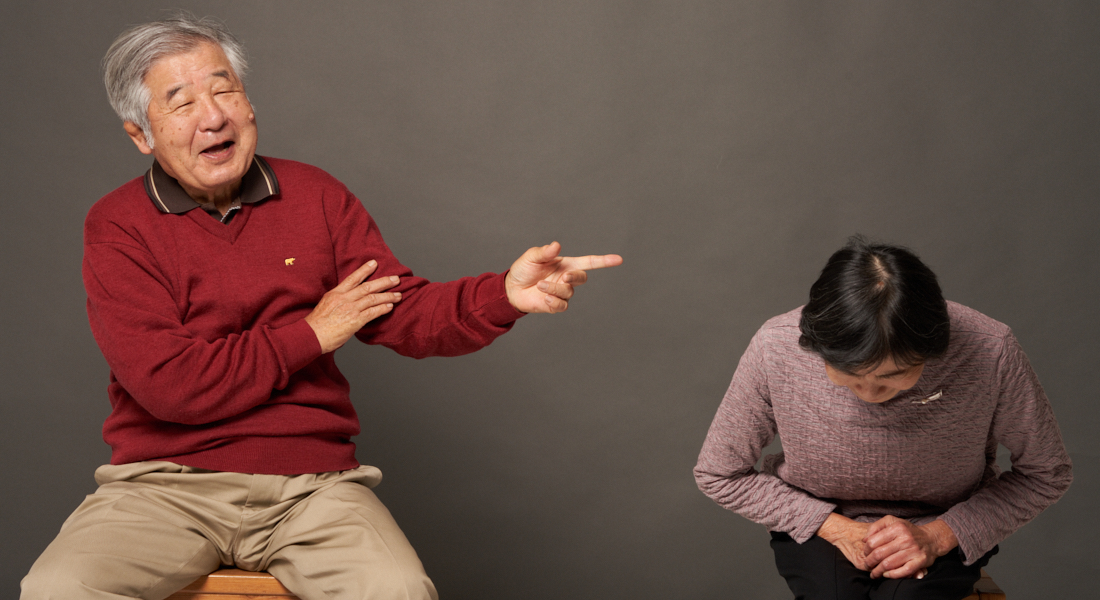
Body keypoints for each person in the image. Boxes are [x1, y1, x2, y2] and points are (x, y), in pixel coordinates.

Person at [21, 14, 621, 600]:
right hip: (163, 485)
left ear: (249, 104)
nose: (213, 117)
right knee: (56, 589)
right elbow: (169, 385)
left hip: (312, 487)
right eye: (181, 103)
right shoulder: (118, 226)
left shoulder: (317, 196)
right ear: (141, 135)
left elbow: (404, 314)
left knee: (399, 590)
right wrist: (312, 332)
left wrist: (503, 294)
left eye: (224, 89)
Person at [694, 237, 1071, 600]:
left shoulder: (991, 349)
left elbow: (1046, 473)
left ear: (934, 349)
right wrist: (836, 528)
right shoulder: (775, 347)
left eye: (892, 377)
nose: (870, 394)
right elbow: (719, 472)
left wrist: (939, 536)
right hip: (819, 522)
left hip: (945, 521)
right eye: (850, 377)